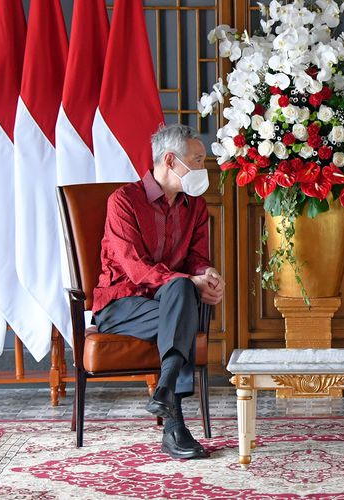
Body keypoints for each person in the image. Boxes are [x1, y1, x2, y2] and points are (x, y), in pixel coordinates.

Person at [92, 123, 224, 460]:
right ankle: (174, 419)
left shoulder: (193, 206)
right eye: (197, 160)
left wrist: (206, 273)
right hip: (122, 304)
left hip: (167, 304)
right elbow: (135, 268)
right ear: (170, 160)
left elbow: (196, 258)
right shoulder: (123, 201)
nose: (202, 168)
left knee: (180, 291)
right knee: (180, 295)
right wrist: (186, 281)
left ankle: (166, 398)